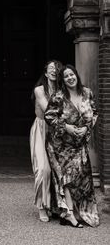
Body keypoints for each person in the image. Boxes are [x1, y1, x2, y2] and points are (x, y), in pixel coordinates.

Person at [44, 64, 99, 228]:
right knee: (66, 177)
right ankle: (68, 214)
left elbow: (94, 113)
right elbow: (49, 116)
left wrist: (86, 128)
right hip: (61, 145)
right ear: (63, 80)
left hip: (80, 144)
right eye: (66, 76)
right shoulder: (58, 96)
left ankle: (79, 210)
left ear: (76, 75)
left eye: (72, 74)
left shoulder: (87, 93)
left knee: (82, 177)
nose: (70, 78)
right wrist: (66, 127)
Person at [30, 60, 62, 222]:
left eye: (57, 68)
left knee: (59, 169)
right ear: (45, 72)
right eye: (51, 68)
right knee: (43, 169)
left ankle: (56, 205)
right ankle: (42, 206)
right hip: (42, 130)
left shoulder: (63, 90)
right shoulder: (39, 90)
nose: (54, 71)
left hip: (59, 132)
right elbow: (49, 110)